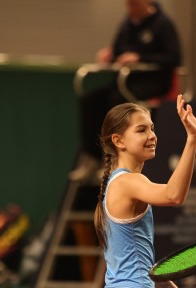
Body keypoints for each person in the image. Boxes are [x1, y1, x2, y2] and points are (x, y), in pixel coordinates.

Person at [76, 94, 196, 288]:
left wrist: (161, 282)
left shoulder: (117, 183)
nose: (152, 135)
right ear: (118, 141)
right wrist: (192, 139)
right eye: (141, 130)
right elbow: (174, 195)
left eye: (152, 128)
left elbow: (129, 254)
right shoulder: (129, 183)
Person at [71, 0, 182, 181]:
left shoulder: (163, 24)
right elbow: (118, 51)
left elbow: (173, 57)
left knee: (117, 101)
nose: (131, 9)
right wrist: (109, 56)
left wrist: (140, 57)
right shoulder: (127, 24)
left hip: (153, 81)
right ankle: (92, 157)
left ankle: (114, 159)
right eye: (129, 5)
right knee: (91, 100)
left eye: (135, 5)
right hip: (125, 81)